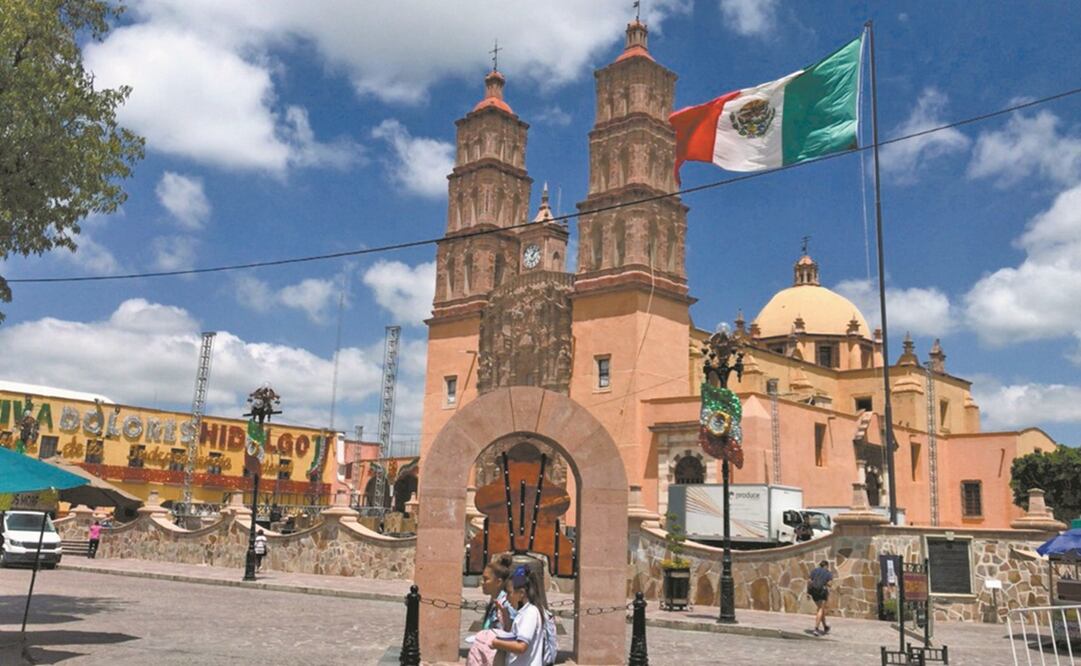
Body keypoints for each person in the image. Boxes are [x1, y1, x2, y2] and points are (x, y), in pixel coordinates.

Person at [492, 565, 547, 666]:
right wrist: (505, 615)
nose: (506, 598)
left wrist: (495, 643)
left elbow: (521, 647)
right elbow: (514, 636)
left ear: (521, 593)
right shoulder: (523, 612)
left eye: (509, 593)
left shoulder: (530, 613)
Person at [481, 554, 516, 631]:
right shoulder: (493, 602)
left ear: (498, 582)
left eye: (486, 579)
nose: (482, 582)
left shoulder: (506, 605)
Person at [808, 559, 834, 636]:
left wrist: (808, 592)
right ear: (826, 566)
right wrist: (825, 582)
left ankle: (825, 626)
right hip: (822, 592)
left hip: (813, 592)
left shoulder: (814, 571)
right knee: (820, 609)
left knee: (820, 609)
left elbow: (809, 581)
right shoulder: (828, 573)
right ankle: (816, 629)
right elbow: (830, 584)